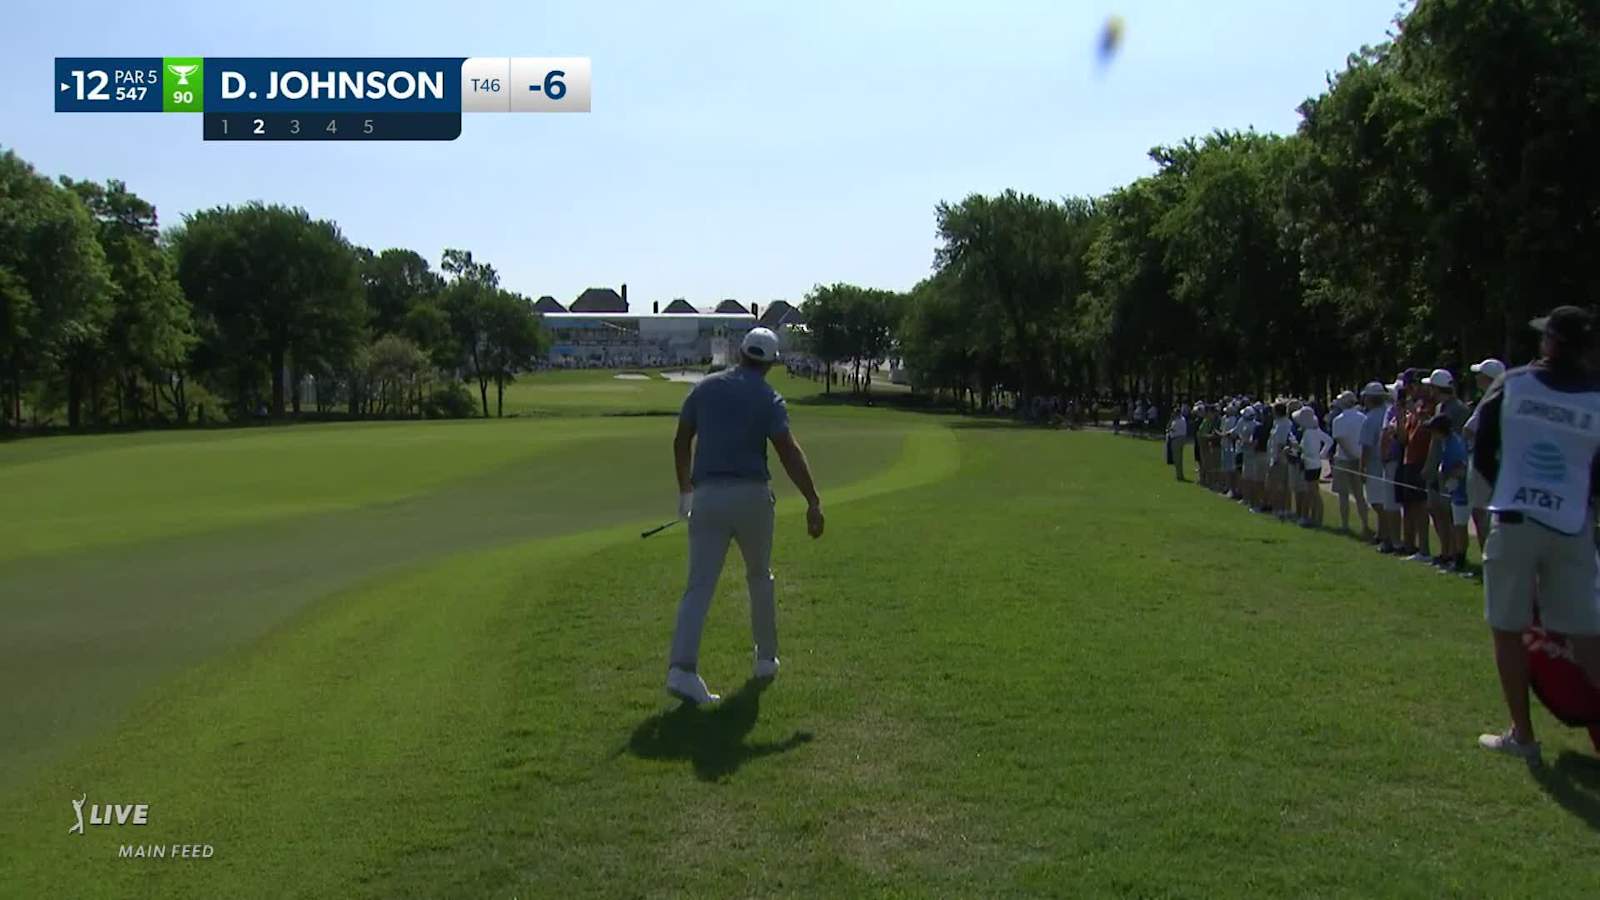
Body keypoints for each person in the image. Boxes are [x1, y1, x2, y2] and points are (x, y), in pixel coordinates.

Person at [667, 327, 826, 705]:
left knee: (699, 585)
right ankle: (766, 660)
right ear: (770, 363)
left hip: (707, 496)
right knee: (759, 577)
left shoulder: (705, 388)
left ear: (740, 353)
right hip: (752, 497)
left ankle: (681, 669)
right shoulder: (768, 397)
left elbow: (681, 439)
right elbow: (788, 451)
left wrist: (685, 491)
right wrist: (812, 500)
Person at [1474, 306, 1600, 763]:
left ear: (1549, 342)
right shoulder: (1596, 396)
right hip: (1572, 522)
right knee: (1587, 633)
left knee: (1508, 629)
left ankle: (1523, 735)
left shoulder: (1513, 383)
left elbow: (1483, 449)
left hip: (1514, 516)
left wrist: (1507, 487)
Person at [1463, 358, 1506, 557]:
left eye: (1480, 375)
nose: (1477, 378)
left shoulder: (1489, 401)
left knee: (1480, 513)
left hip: (1483, 461)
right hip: (1498, 463)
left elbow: (1469, 430)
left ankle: (1487, 557)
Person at [1428, 412, 1471, 576]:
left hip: (1462, 492)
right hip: (1455, 491)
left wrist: (1445, 475)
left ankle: (1460, 561)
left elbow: (1462, 470)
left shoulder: (1454, 446)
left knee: (1460, 527)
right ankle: (1456, 557)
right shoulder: (1448, 442)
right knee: (1456, 525)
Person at [1359, 382, 1396, 551]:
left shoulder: (1370, 418)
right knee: (1383, 501)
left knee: (1377, 503)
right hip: (1387, 464)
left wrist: (1362, 467)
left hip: (1375, 466)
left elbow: (1366, 446)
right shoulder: (1387, 413)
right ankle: (1381, 534)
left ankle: (1387, 535)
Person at [1330, 390, 1370, 536]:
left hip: (1343, 459)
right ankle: (1365, 524)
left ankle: (1345, 524)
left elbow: (1340, 440)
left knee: (1343, 495)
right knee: (1360, 495)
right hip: (1359, 458)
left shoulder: (1338, 420)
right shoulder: (1363, 418)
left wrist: (1351, 454)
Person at [1294, 406, 1331, 528]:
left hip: (1311, 465)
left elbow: (1308, 449)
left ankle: (1316, 518)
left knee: (1313, 492)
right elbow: (1329, 441)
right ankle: (1314, 517)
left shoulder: (1309, 432)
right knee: (1313, 492)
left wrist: (1320, 454)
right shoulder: (1314, 430)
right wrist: (1321, 455)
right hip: (1314, 464)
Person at [1166, 404, 1189, 481]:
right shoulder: (1183, 419)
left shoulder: (1176, 421)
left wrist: (1171, 420)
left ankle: (1179, 475)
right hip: (1182, 438)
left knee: (1176, 458)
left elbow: (1169, 428)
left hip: (1176, 439)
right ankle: (1180, 474)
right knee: (1179, 458)